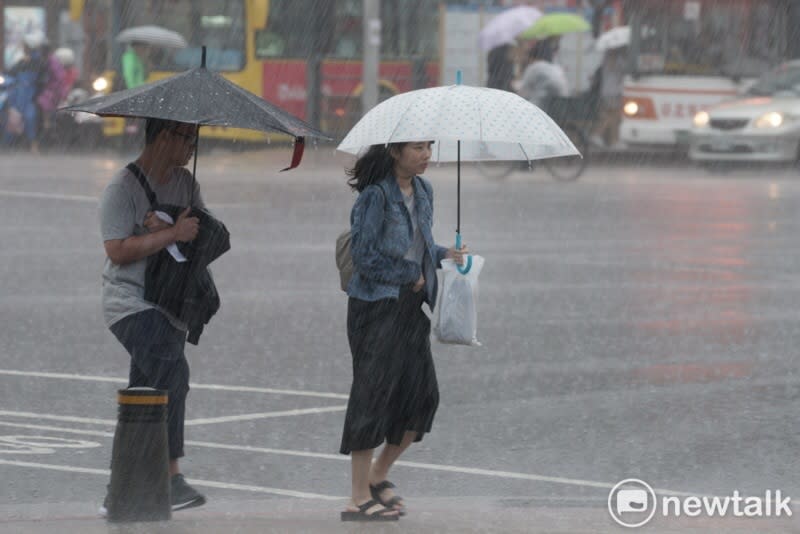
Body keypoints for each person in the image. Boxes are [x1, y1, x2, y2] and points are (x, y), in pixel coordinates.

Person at [340, 141, 468, 521]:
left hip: (412, 308)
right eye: (417, 147)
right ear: (395, 151)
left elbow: (420, 245)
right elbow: (364, 256)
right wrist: (408, 274)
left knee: (422, 398)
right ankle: (357, 497)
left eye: (429, 146)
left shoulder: (424, 190)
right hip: (376, 306)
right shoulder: (375, 197)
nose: (427, 153)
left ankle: (379, 475)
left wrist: (446, 254)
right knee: (371, 397)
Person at [98, 118, 206, 514]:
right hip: (129, 302)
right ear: (163, 137)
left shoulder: (186, 184)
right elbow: (116, 250)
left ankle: (121, 490)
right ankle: (171, 476)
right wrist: (168, 234)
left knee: (143, 399)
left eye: (194, 138)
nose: (191, 146)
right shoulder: (121, 188)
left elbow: (205, 238)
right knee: (171, 372)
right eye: (186, 138)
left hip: (171, 304)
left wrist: (191, 229)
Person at [4, 31, 48, 152]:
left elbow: (42, 80)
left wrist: (35, 92)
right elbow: (10, 74)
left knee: (30, 116)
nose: (23, 48)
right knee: (13, 116)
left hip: (30, 95)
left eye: (25, 46)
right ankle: (10, 143)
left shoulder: (37, 62)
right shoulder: (23, 61)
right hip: (18, 95)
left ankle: (33, 143)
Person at [517, 38, 569, 111]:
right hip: (558, 109)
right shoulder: (556, 68)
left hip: (539, 106)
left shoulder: (534, 68)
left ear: (532, 58)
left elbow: (523, 91)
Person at [592, 46, 625, 147]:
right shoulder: (614, 58)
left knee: (611, 115)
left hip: (607, 91)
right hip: (613, 91)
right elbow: (620, 72)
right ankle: (599, 135)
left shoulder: (607, 58)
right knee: (613, 116)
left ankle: (613, 140)